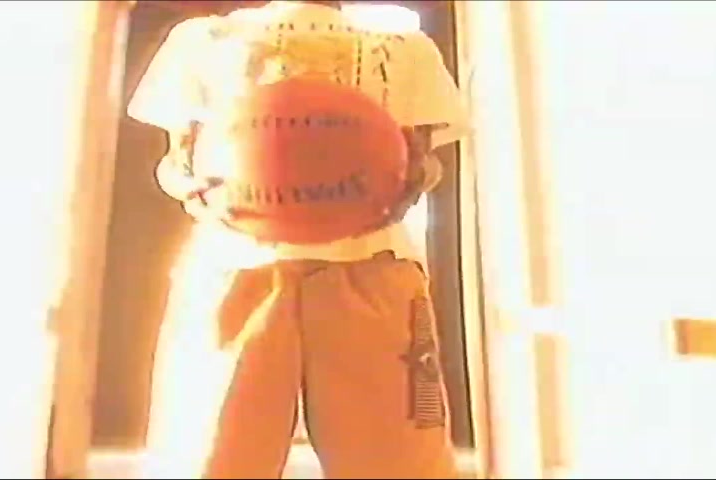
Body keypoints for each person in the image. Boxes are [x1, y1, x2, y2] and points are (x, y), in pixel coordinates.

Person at [127, 1, 470, 478]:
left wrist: (212, 191)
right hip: (303, 267)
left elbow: (178, 167)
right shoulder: (406, 50)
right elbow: (421, 169)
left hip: (274, 265)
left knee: (207, 458)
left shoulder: (202, 42)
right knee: (395, 461)